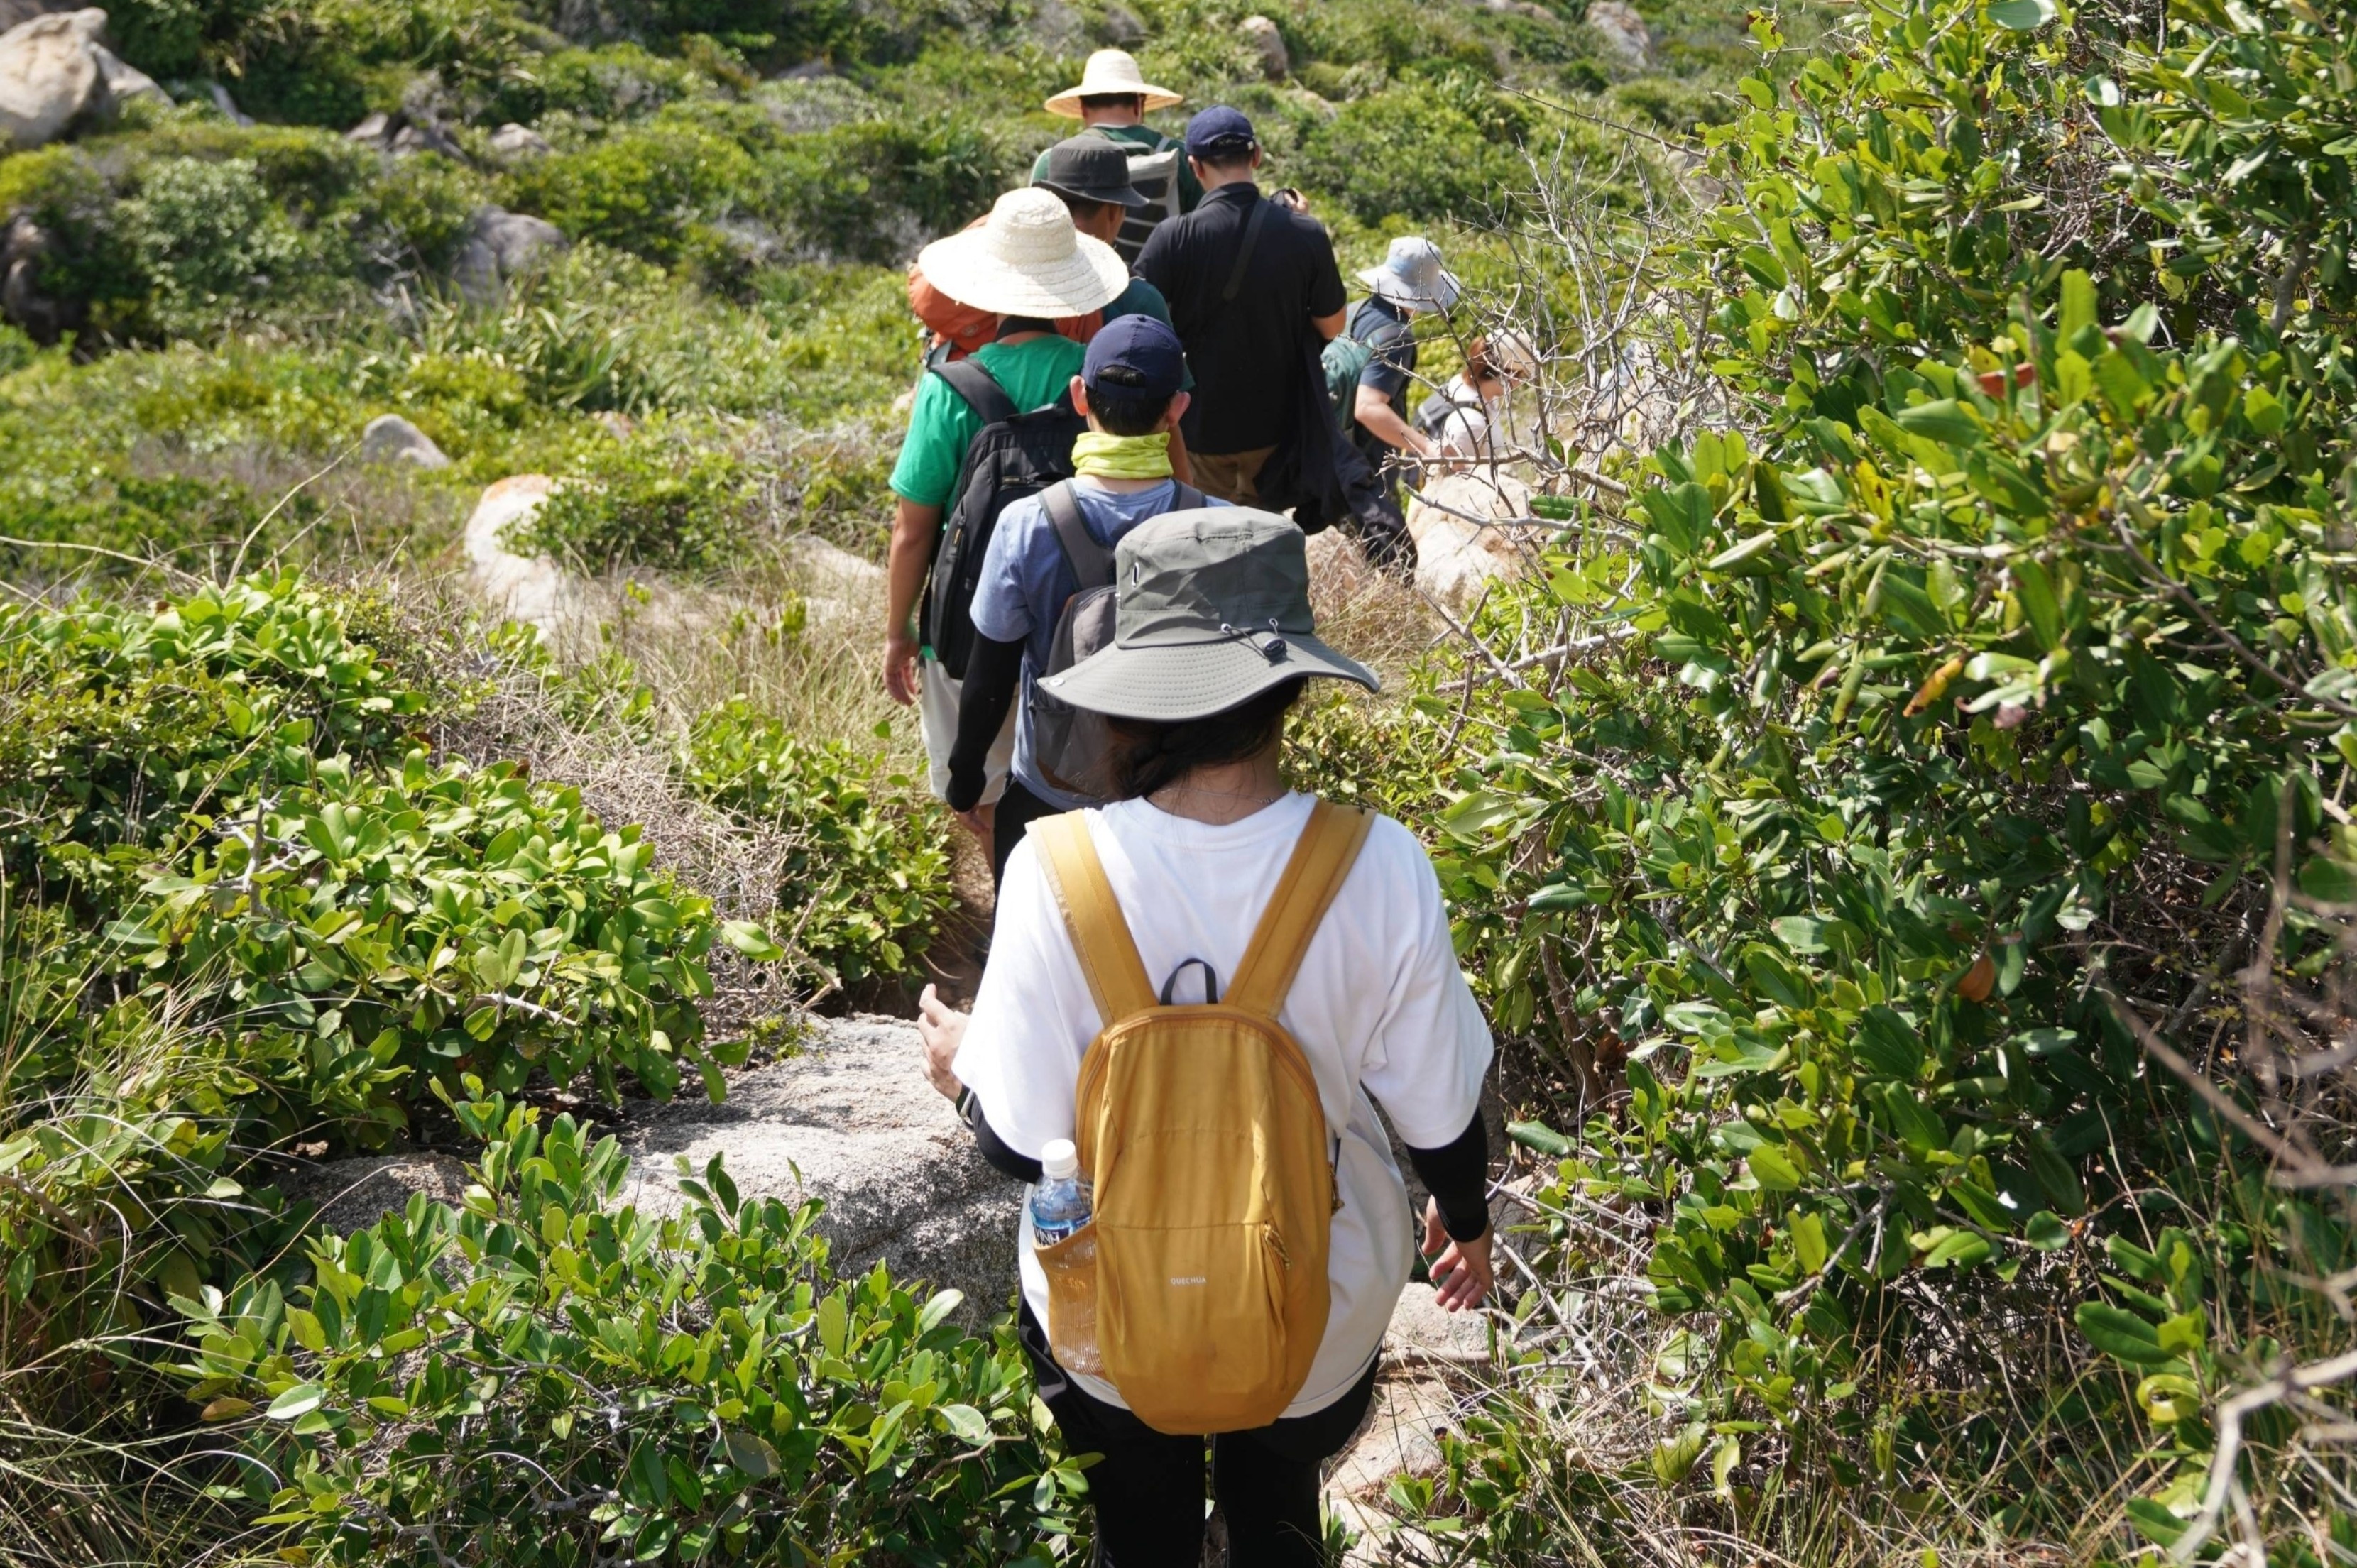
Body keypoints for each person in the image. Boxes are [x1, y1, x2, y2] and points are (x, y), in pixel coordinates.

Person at [914, 510, 1497, 1567]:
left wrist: (962, 1074)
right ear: (1292, 686)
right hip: (1314, 1310)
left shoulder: (1053, 869)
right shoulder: (1379, 864)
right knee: (1281, 1518)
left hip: (1110, 1325)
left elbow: (1020, 1142)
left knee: (1138, 1535)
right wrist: (1467, 1221)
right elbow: (1443, 1115)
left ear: (1133, 684)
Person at [944, 314, 1223, 882]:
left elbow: (989, 676)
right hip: (1169, 800)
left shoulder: (1027, 523)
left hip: (1049, 794)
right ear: (1176, 409)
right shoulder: (1217, 527)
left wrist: (966, 776)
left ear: (1079, 397)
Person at [883, 188, 1128, 812]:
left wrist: (899, 632)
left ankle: (1004, 868)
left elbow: (913, 530)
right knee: (1080, 798)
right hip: (1083, 624)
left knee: (981, 799)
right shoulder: (1098, 378)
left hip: (967, 631)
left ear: (986, 287)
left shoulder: (947, 389)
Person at [1134, 107, 1347, 508]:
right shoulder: (1306, 234)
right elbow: (1333, 326)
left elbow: (1138, 325)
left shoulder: (1173, 237)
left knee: (1205, 530)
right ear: (1257, 156)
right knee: (1267, 532)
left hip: (1199, 428)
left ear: (1195, 166)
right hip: (1277, 431)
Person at [1034, 49, 1201, 261]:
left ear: (1083, 108)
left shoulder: (1051, 162)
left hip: (1079, 280)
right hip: (1163, 283)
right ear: (1139, 104)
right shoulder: (1182, 157)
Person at [1345, 236, 1462, 483]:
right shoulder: (1397, 337)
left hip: (1329, 449)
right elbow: (1368, 407)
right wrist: (1426, 446)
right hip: (1360, 470)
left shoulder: (1354, 311)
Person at [1421, 331, 1538, 461]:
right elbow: (1455, 472)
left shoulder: (1460, 384)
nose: (1520, 383)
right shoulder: (1470, 425)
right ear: (1507, 374)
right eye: (1521, 376)